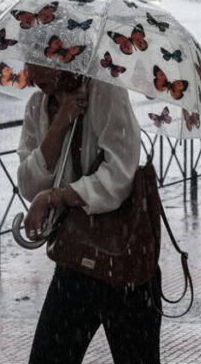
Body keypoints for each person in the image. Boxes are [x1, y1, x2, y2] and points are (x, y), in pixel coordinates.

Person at [17, 63, 161, 364]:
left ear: (63, 55)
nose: (32, 72)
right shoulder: (37, 107)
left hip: (125, 261)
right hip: (75, 258)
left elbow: (119, 175)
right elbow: (29, 185)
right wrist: (60, 124)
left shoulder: (104, 90)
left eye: (41, 61)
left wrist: (56, 196)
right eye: (28, 61)